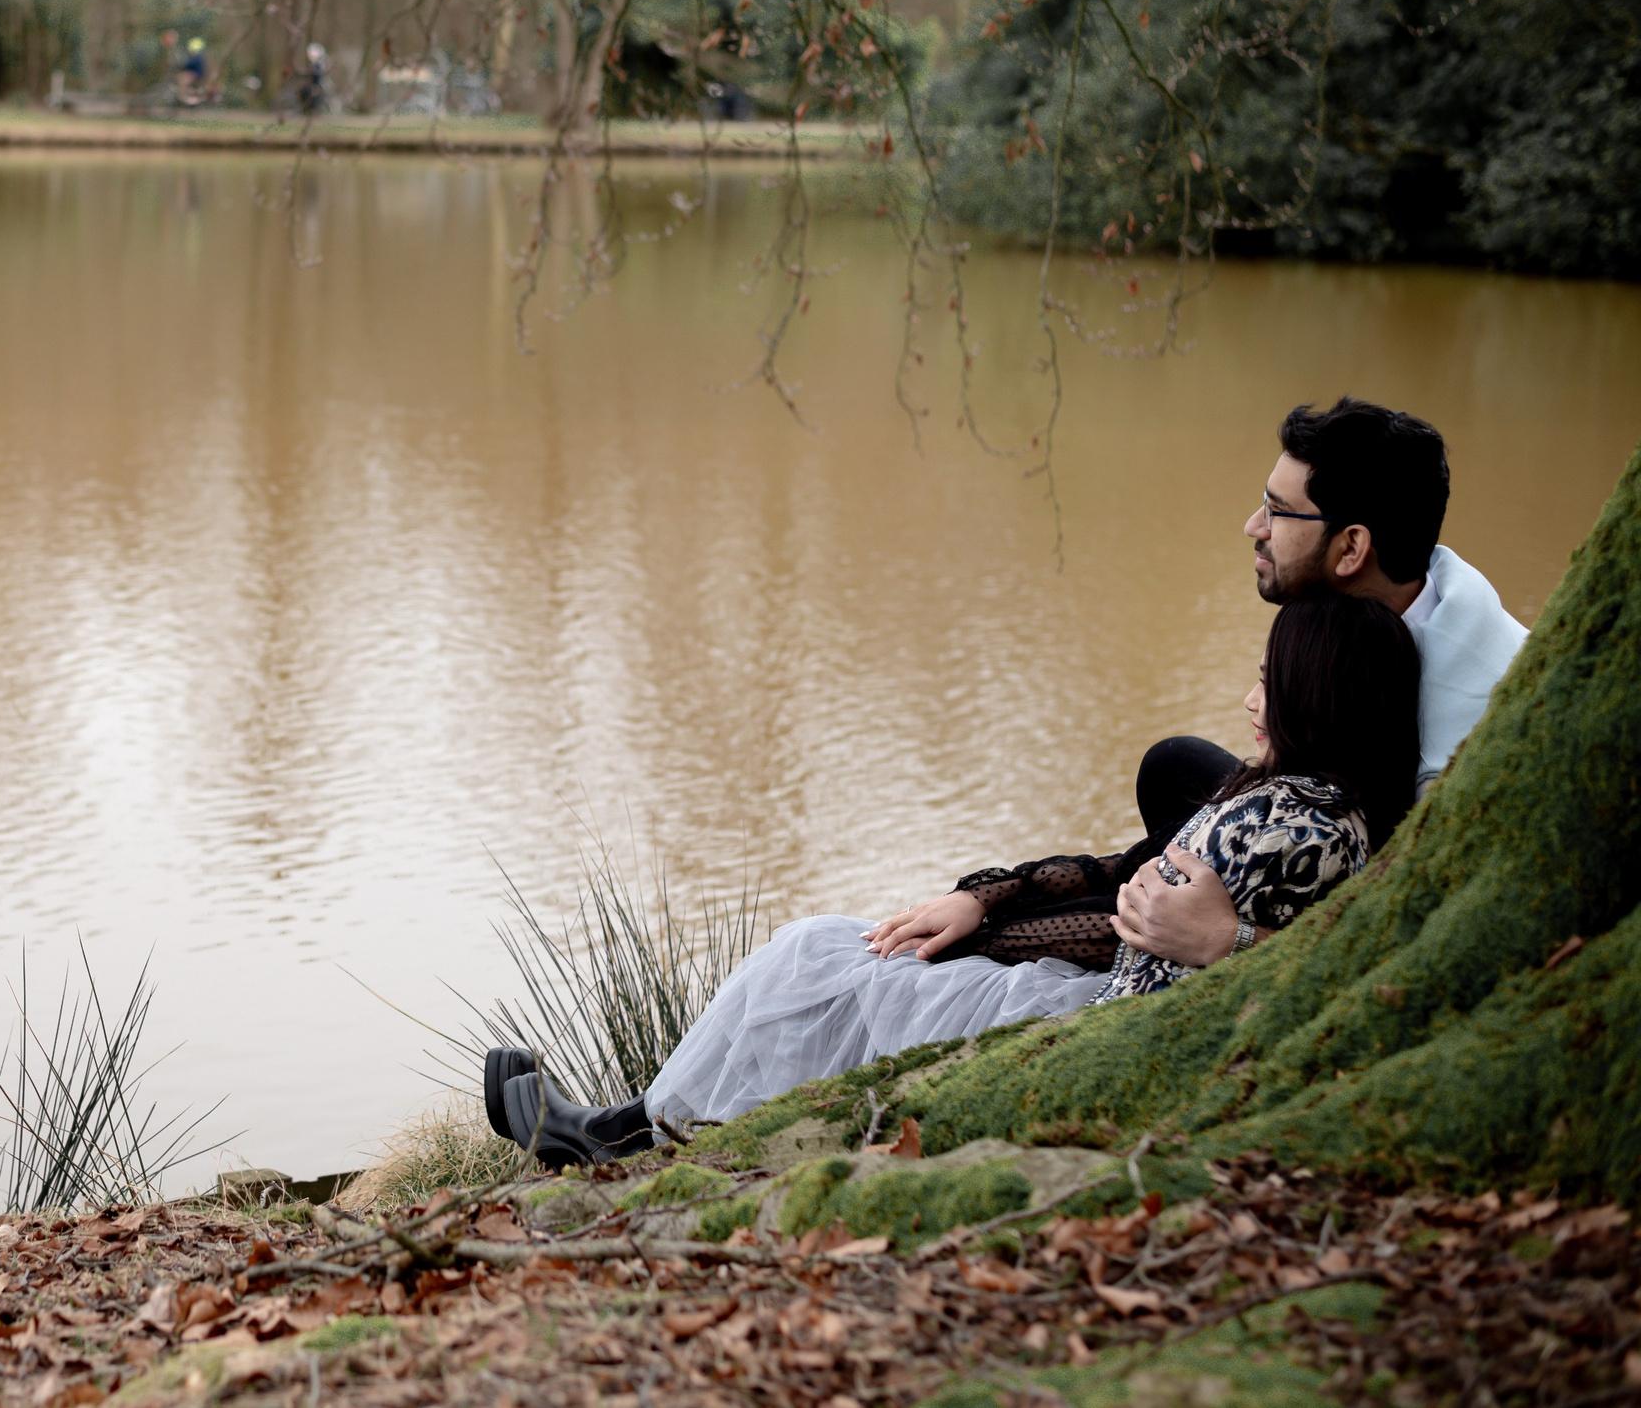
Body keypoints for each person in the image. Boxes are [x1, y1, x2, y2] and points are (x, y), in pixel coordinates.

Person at [488, 589, 1421, 1166]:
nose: (1249, 697)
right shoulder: (1298, 798)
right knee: (841, 954)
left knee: (822, 958)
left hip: (1100, 1029)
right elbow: (1128, 880)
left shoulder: (1295, 823)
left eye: (1269, 678)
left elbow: (1324, 959)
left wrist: (1229, 942)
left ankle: (627, 1134)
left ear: (1318, 693)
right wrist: (986, 902)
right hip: (1104, 998)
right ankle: (631, 1126)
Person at [1135, 398, 1527, 860]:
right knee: (1174, 768)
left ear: (1351, 549)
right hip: (1336, 817)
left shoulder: (1452, 756)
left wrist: (1236, 933)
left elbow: (1418, 905)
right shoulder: (1414, 588)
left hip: (1372, 859)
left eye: (1277, 511)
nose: (1253, 526)